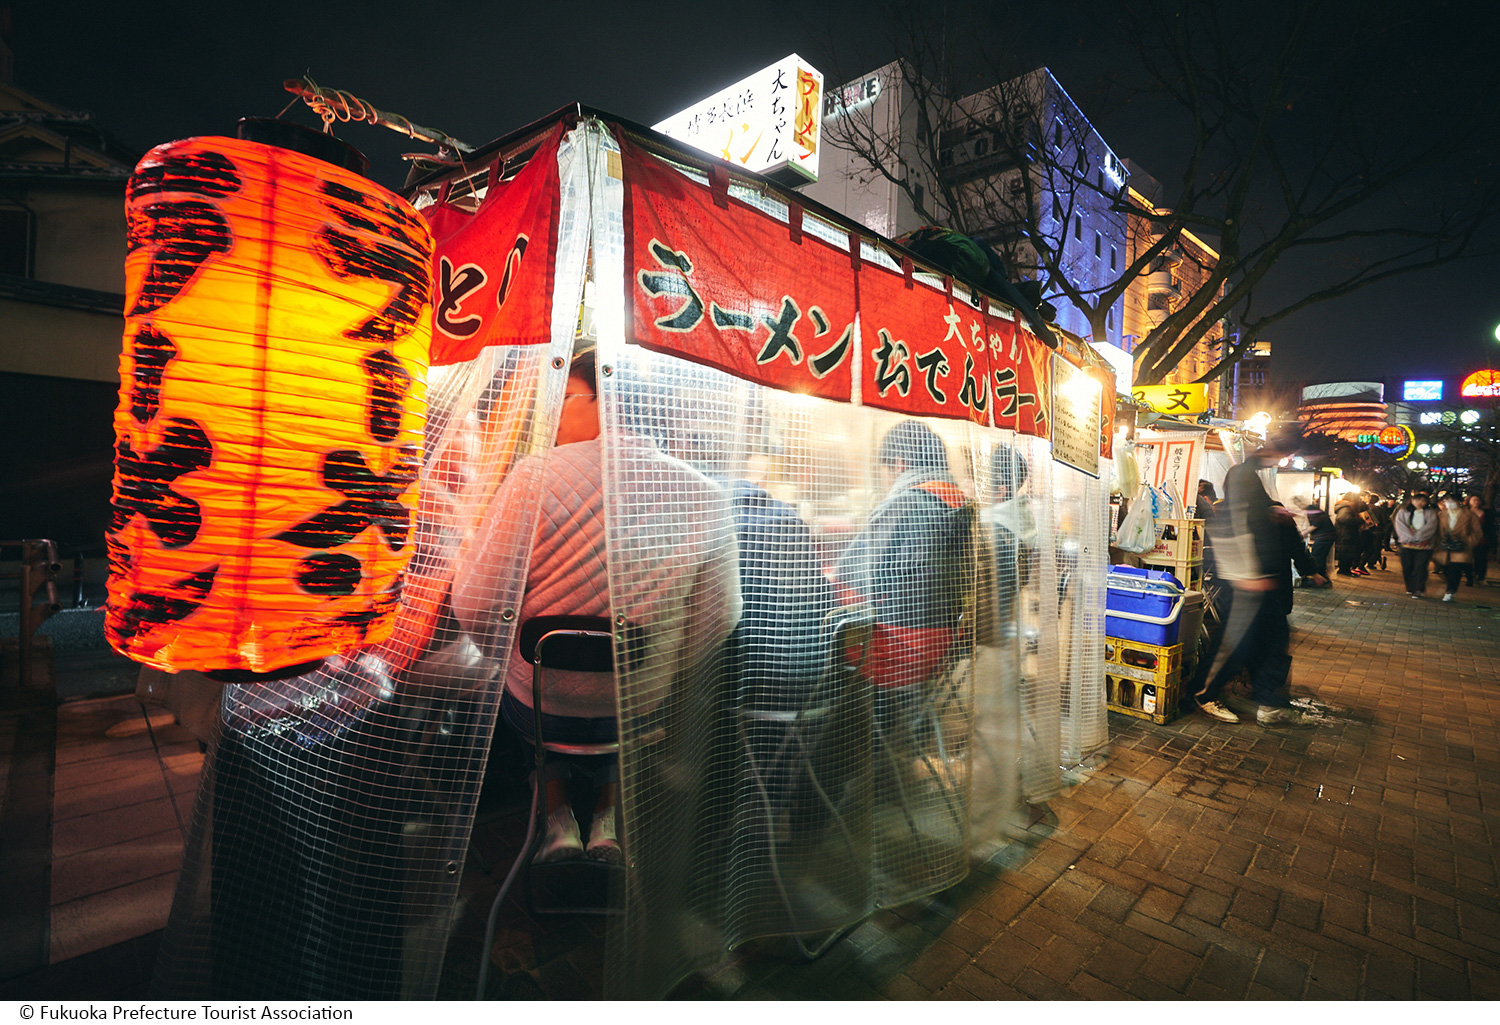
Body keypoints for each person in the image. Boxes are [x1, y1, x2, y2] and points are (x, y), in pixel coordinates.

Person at [454, 349, 740, 863]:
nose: (553, 416)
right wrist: (661, 664)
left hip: (543, 706)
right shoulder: (706, 494)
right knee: (621, 699)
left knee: (520, 691)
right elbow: (721, 615)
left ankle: (558, 820)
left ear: (604, 399)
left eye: (564, 400)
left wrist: (506, 658)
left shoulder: (533, 477)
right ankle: (607, 821)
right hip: (636, 706)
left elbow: (473, 603)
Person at [833, 420, 976, 704]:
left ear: (898, 464)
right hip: (946, 648)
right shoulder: (962, 504)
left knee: (818, 634)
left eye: (885, 471)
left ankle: (838, 743)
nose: (887, 481)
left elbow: (852, 583)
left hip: (898, 651)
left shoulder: (905, 503)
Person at [1193, 425, 1322, 727]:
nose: (1282, 461)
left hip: (1261, 576)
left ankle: (1270, 701)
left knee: (1273, 638)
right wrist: (1247, 574)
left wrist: (1274, 514)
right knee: (1235, 641)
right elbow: (1235, 524)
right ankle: (1203, 692)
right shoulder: (1242, 475)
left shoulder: (1252, 476)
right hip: (1246, 577)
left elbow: (1249, 518)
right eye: (1285, 455)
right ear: (1278, 450)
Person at [1431, 493, 1484, 602]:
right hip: (1444, 547)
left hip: (1461, 548)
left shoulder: (1469, 515)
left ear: (1459, 502)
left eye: (1452, 501)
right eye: (1447, 501)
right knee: (1445, 569)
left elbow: (1477, 532)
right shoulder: (1441, 515)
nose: (1449, 504)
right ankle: (1451, 588)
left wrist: (1468, 542)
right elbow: (1436, 531)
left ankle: (1451, 591)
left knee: (1455, 570)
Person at [1393, 491, 1439, 597]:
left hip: (1424, 546)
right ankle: (1410, 586)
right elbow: (1400, 525)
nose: (1420, 503)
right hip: (1406, 544)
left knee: (1420, 566)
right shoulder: (1403, 511)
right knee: (1407, 566)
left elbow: (1431, 526)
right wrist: (1408, 537)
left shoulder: (1430, 512)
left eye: (1423, 501)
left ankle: (1418, 588)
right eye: (1417, 500)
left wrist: (1419, 536)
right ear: (1412, 500)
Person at [1332, 495, 1367, 577]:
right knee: (1346, 553)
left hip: (1346, 534)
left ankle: (1346, 569)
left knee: (1347, 553)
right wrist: (1361, 520)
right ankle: (1344, 570)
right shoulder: (1346, 508)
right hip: (1345, 534)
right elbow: (1344, 519)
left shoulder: (1346, 507)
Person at [1303, 497, 1335, 582]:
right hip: (1327, 536)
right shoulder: (1313, 509)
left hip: (1324, 537)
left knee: (1317, 556)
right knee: (1321, 556)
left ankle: (1319, 578)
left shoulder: (1311, 509)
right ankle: (1323, 576)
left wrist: (1303, 533)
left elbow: (1316, 524)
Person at [1464, 494, 1494, 586]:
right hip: (1468, 539)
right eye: (1474, 500)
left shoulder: (1486, 513)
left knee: (1481, 559)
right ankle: (1469, 577)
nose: (1476, 502)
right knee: (1467, 559)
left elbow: (1490, 527)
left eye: (1478, 500)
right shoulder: (1465, 512)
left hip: (1482, 539)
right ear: (1469, 501)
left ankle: (1480, 576)